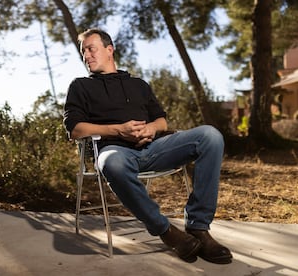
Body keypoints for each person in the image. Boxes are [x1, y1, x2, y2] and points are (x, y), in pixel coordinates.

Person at [63, 28, 232, 264]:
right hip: (116, 153)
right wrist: (118, 130)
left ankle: (198, 228)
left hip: (153, 148)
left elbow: (161, 120)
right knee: (112, 162)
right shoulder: (80, 86)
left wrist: (151, 128)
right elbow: (75, 129)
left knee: (211, 136)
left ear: (109, 50)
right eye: (83, 52)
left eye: (91, 49)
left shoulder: (139, 84)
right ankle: (166, 231)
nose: (86, 56)